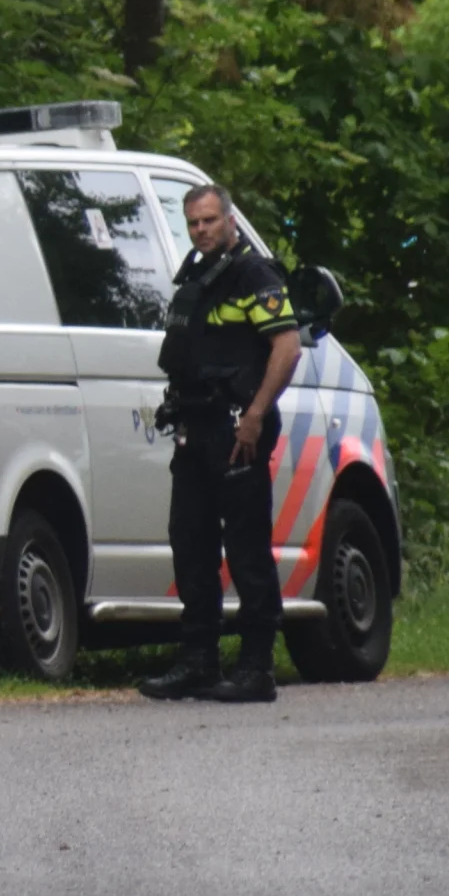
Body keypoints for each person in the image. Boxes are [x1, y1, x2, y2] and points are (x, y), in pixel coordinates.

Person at [142, 182, 304, 704]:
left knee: (246, 548)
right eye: (193, 223)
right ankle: (199, 662)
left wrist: (255, 415)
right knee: (189, 543)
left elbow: (287, 346)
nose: (202, 230)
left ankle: (257, 668)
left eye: (210, 220)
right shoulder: (195, 275)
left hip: (238, 429)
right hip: (195, 428)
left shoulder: (253, 274)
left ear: (231, 220)